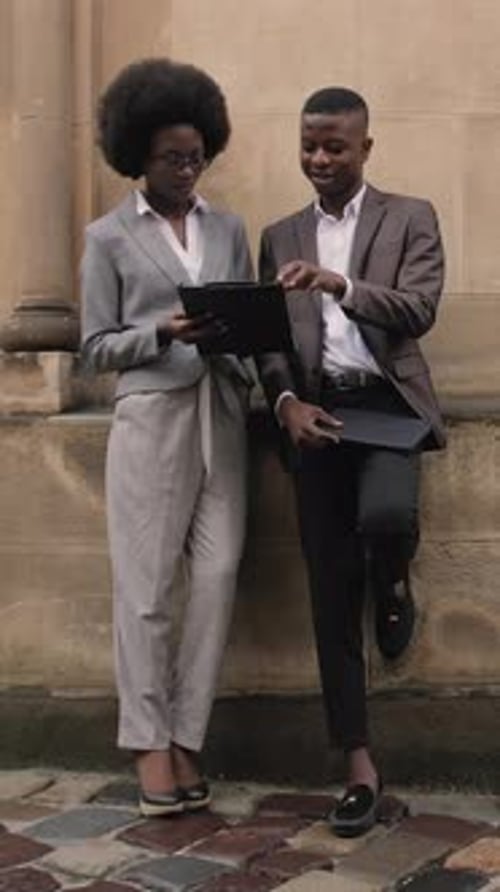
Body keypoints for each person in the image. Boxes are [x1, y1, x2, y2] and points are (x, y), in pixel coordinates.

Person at [257, 87, 445, 837]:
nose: (319, 159)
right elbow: (267, 338)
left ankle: (394, 575)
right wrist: (284, 405)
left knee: (389, 515)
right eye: (308, 145)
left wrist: (341, 285)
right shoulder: (279, 233)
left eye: (335, 146)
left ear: (366, 147)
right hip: (317, 413)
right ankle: (358, 764)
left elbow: (421, 307)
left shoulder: (411, 216)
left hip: (387, 405)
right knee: (329, 589)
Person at [80, 58, 253, 817]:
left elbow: (251, 318)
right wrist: (160, 330)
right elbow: (94, 347)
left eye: (196, 156)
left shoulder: (228, 227)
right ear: (136, 156)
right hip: (151, 417)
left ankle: (187, 731)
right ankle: (150, 743)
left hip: (221, 411)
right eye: (170, 159)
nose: (187, 170)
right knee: (146, 591)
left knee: (216, 580)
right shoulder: (108, 238)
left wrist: (242, 346)